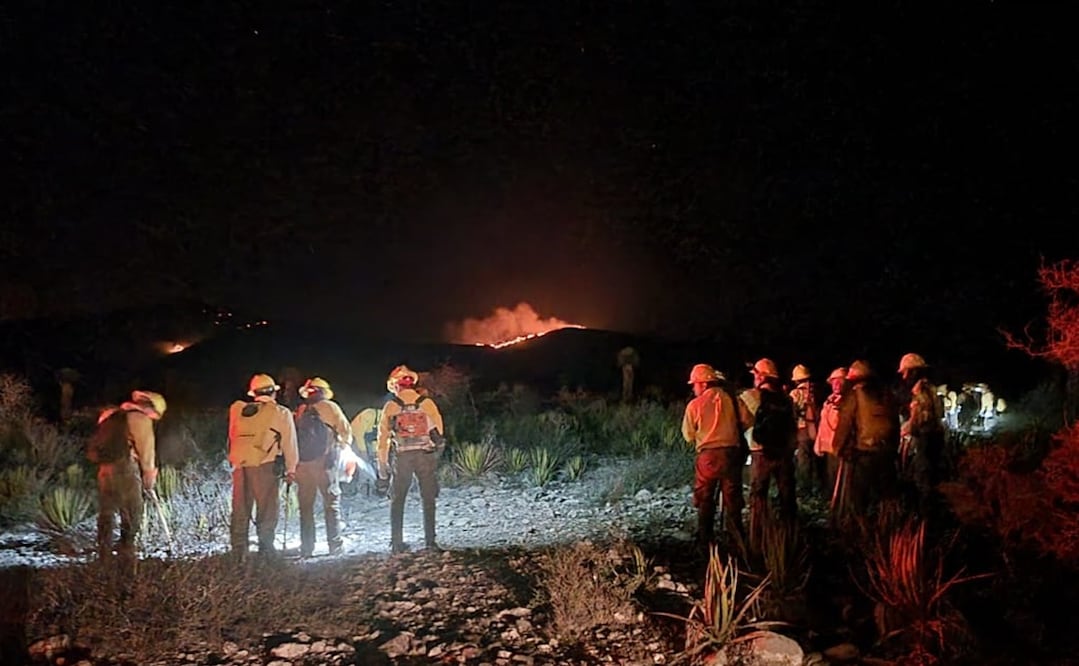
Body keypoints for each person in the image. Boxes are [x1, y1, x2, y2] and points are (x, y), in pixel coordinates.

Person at [377, 365, 446, 553]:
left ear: (395, 385)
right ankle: (430, 542)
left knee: (397, 500)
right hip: (425, 456)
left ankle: (397, 543)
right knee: (428, 499)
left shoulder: (391, 406)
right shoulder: (427, 403)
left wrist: (382, 470)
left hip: (403, 458)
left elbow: (382, 440)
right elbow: (439, 433)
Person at [228, 373, 298, 559]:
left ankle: (238, 552)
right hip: (264, 466)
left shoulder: (238, 410)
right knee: (267, 509)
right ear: (273, 392)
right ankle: (266, 552)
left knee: (240, 509)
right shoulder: (280, 413)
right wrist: (291, 469)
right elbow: (290, 444)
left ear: (254, 393)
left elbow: (232, 437)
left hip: (239, 466)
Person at [91, 390, 166, 563]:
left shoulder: (114, 415)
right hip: (125, 468)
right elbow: (146, 450)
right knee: (133, 510)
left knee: (107, 511)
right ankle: (126, 549)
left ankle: (104, 551)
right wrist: (149, 475)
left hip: (105, 469)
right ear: (152, 409)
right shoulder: (139, 418)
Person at [681, 363, 751, 546]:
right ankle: (737, 538)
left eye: (694, 384)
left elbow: (688, 435)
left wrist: (704, 433)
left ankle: (705, 538)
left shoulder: (694, 405)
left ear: (704, 384)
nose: (693, 387)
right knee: (733, 498)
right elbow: (748, 421)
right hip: (731, 455)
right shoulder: (733, 400)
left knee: (705, 497)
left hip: (708, 457)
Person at [831, 360, 900, 521]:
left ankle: (861, 531)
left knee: (860, 499)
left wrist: (837, 447)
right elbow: (895, 424)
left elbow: (845, 424)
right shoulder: (886, 396)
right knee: (886, 497)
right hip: (886, 454)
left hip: (864, 455)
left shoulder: (855, 395)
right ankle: (889, 526)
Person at [741, 359, 798, 544]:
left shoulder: (749, 396)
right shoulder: (787, 399)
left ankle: (757, 534)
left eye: (756, 374)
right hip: (784, 453)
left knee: (758, 494)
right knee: (787, 493)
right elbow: (793, 426)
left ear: (761, 376)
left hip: (760, 451)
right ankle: (791, 531)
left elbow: (741, 422)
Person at [294, 377, 352, 557]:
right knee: (331, 504)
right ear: (323, 392)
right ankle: (335, 546)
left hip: (302, 465)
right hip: (325, 463)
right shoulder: (331, 407)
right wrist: (340, 451)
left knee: (305, 507)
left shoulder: (300, 410)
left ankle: (307, 548)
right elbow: (346, 433)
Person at [897, 353, 945, 515]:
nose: (903, 377)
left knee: (923, 479)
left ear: (914, 372)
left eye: (905, 372)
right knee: (929, 476)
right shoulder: (930, 388)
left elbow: (920, 419)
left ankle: (926, 516)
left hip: (926, 439)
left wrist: (905, 428)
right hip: (933, 438)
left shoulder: (921, 392)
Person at [789, 364, 825, 495]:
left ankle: (805, 487)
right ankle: (819, 486)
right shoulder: (817, 391)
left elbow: (793, 413)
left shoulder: (795, 393)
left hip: (802, 429)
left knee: (803, 459)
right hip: (818, 429)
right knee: (817, 458)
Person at [813, 367, 848, 498]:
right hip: (829, 447)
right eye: (834, 382)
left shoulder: (848, 402)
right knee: (831, 476)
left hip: (840, 446)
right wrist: (818, 444)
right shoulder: (828, 401)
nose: (836, 385)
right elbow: (823, 424)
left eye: (840, 381)